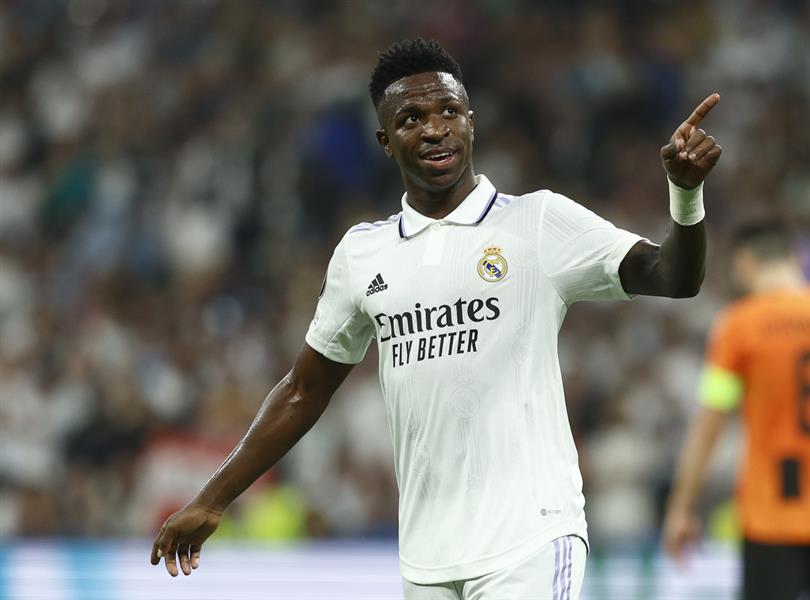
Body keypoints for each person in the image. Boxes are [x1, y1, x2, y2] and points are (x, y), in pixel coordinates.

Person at [151, 38, 722, 599]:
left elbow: (673, 277)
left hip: (529, 539)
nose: (434, 128)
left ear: (471, 122)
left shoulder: (537, 223)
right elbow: (303, 391)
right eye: (411, 118)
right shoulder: (362, 255)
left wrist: (686, 194)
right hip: (426, 560)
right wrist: (212, 497)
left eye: (449, 111)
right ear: (385, 140)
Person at [663, 220, 810, 600]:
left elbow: (710, 423)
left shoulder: (739, 326)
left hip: (771, 510)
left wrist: (681, 508)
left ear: (743, 264)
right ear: (798, 259)